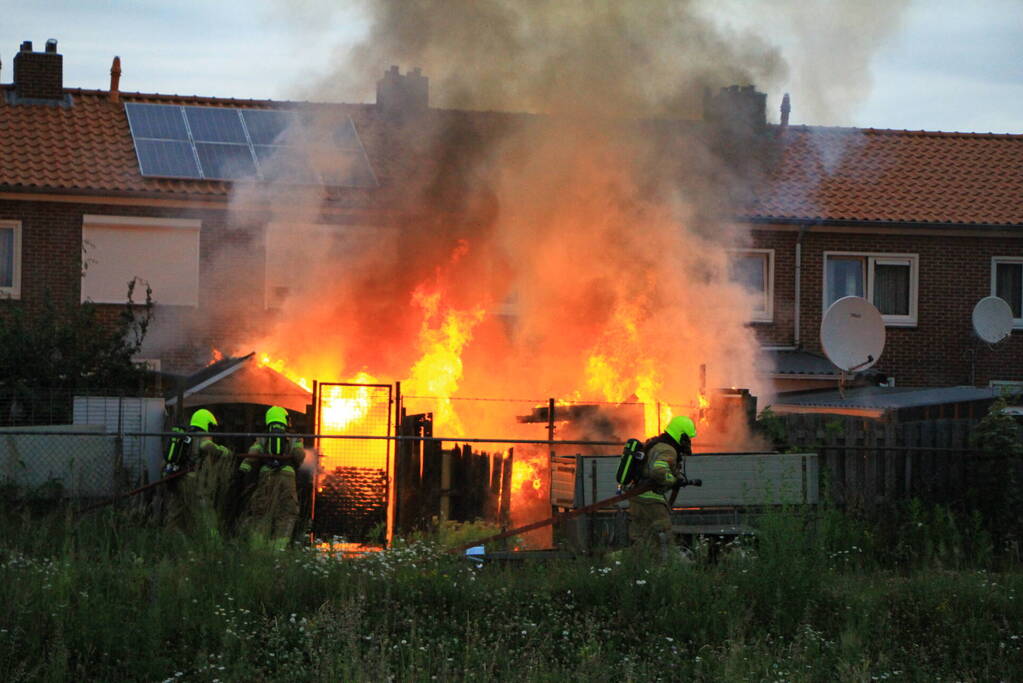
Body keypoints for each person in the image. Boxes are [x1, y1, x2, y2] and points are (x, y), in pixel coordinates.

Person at [628, 415, 696, 560]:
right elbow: (658, 471)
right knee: (663, 538)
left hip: (637, 497)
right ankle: (664, 569)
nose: (689, 442)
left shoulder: (657, 443)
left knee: (640, 541)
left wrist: (677, 476)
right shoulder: (668, 450)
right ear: (681, 435)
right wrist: (673, 481)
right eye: (688, 438)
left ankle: (618, 563)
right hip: (651, 501)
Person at [237, 406, 305, 549]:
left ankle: (257, 547)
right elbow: (299, 456)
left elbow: (253, 453)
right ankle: (278, 549)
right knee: (287, 512)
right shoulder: (295, 437)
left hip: (266, 474)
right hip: (287, 476)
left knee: (261, 510)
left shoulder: (262, 437)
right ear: (285, 420)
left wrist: (245, 465)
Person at [162, 408, 234, 536]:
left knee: (177, 511)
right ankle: (211, 540)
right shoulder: (200, 435)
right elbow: (205, 445)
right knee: (204, 511)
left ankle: (169, 539)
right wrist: (223, 451)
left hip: (177, 478)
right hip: (191, 480)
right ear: (206, 423)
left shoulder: (187, 436)